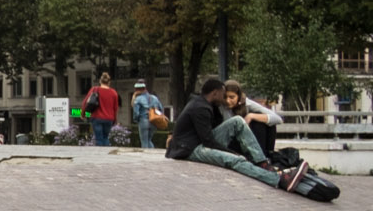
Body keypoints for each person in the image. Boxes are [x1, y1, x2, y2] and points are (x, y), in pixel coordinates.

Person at [167, 77, 308, 190]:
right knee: (235, 160)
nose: (225, 99)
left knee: (237, 121)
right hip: (190, 149)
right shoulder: (200, 108)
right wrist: (233, 153)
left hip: (198, 142)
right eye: (223, 95)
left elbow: (216, 129)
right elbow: (208, 142)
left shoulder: (209, 104)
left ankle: (263, 163)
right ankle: (279, 180)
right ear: (215, 93)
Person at [221, 80, 283, 156]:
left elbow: (278, 119)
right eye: (225, 97)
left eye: (232, 97)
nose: (228, 101)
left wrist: (251, 116)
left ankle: (266, 155)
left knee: (265, 121)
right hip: (231, 141)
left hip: (248, 140)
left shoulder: (247, 103)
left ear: (239, 96)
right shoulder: (220, 106)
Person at [83, 72, 120, 146]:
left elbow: (85, 102)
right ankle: (106, 154)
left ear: (100, 81)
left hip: (97, 117)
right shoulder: (114, 93)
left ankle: (101, 155)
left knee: (99, 138)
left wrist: (83, 113)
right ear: (109, 82)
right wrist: (115, 119)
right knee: (105, 137)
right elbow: (115, 108)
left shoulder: (94, 89)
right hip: (109, 118)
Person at [131, 82, 164, 149]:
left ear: (136, 90)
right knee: (149, 140)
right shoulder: (155, 98)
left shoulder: (138, 99)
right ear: (145, 88)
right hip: (153, 121)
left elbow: (136, 113)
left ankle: (145, 157)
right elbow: (161, 109)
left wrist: (136, 120)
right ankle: (153, 154)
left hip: (143, 121)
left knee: (144, 141)